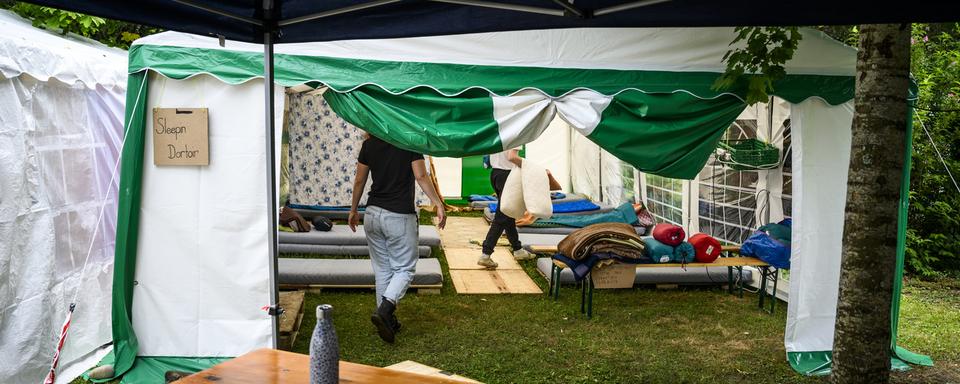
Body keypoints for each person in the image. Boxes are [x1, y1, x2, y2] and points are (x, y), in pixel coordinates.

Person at [348, 133, 446, 344]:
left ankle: (388, 319)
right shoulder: (409, 141)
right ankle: (385, 310)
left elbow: (359, 180)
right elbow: (420, 176)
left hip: (372, 214)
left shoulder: (368, 144)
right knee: (404, 269)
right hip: (399, 216)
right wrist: (437, 202)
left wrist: (354, 209)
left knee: (383, 269)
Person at [478, 148, 534, 269]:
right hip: (507, 176)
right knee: (502, 216)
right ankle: (485, 254)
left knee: (509, 214)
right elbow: (512, 157)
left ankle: (518, 249)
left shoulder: (498, 132)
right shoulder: (514, 134)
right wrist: (531, 167)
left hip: (495, 174)